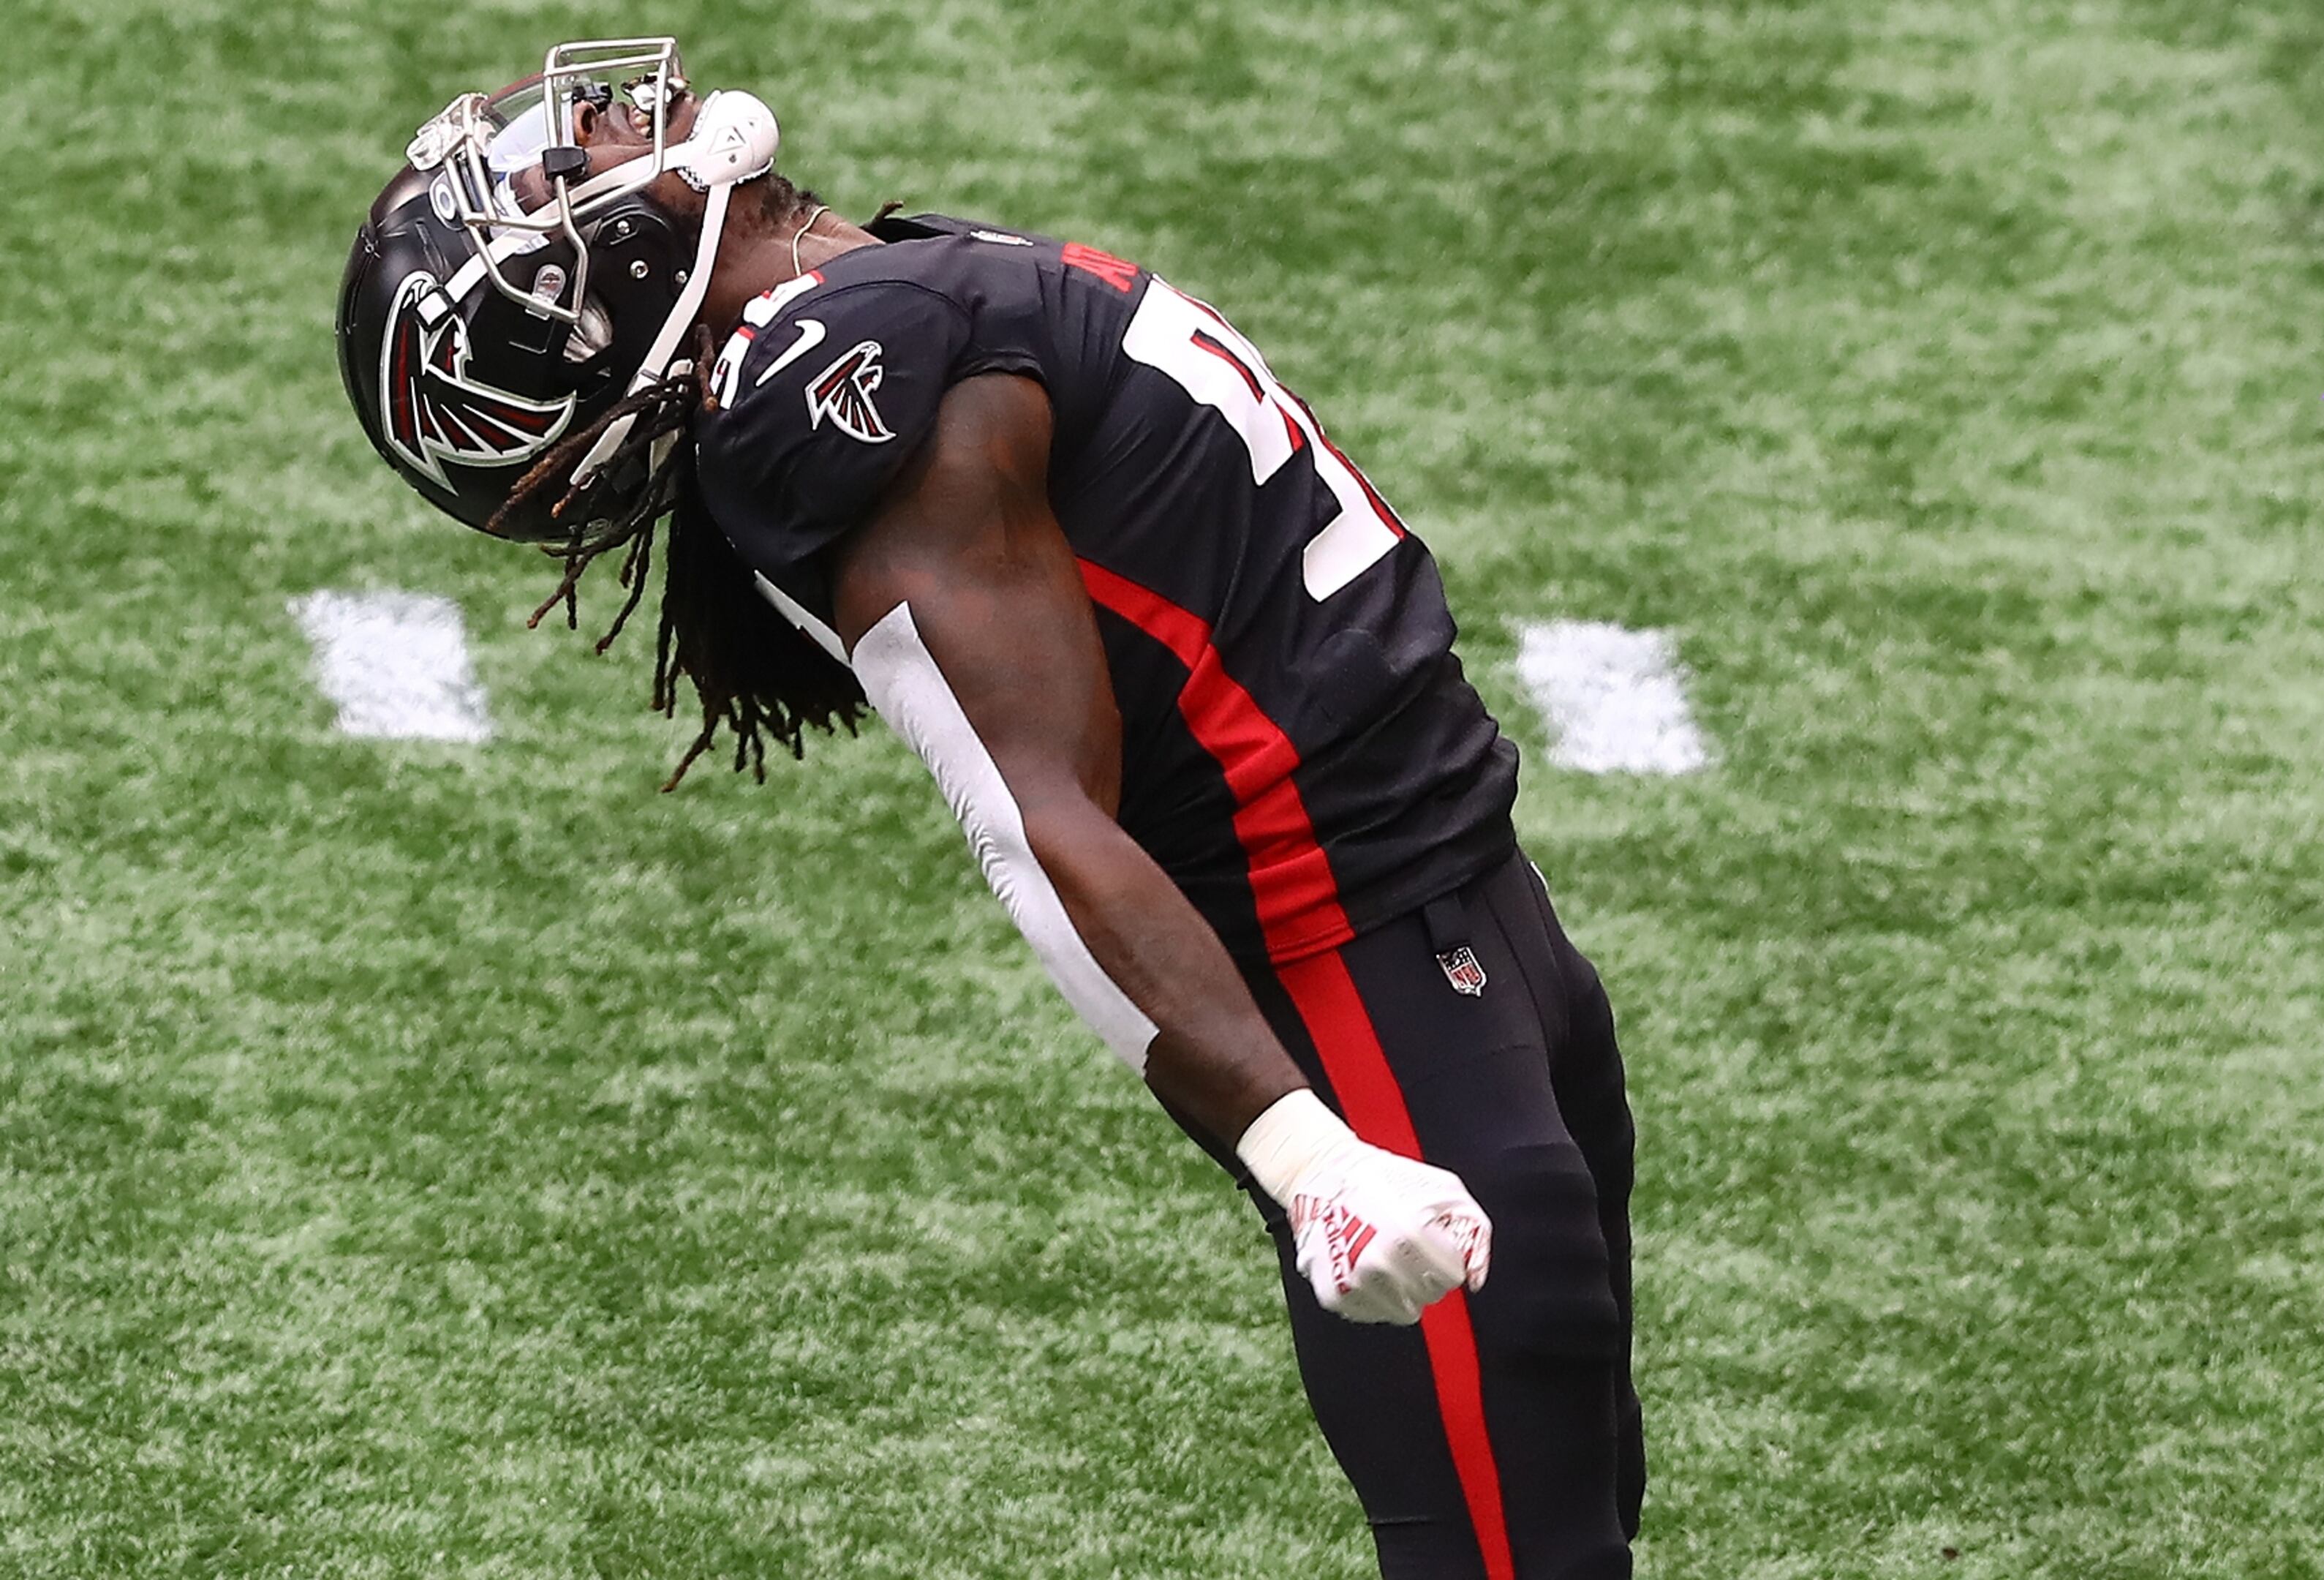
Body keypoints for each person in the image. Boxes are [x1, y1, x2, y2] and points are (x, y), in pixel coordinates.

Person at [336, 40, 1641, 1578]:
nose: (596, 129)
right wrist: (1313, 1160)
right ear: (597, 315)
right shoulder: (837, 384)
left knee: (1575, 1505)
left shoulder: (876, 285)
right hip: (1355, 979)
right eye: (553, 194)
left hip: (1474, 921)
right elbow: (1035, 817)